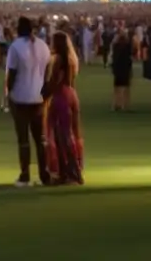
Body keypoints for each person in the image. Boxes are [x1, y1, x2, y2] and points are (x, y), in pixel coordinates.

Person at [6, 16, 52, 187]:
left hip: (20, 96)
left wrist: (8, 93)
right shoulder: (43, 45)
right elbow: (47, 72)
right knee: (40, 138)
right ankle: (44, 174)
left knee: (23, 139)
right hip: (38, 97)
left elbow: (11, 73)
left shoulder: (16, 47)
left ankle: (25, 175)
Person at [45, 31, 84, 185]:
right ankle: (70, 171)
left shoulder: (58, 60)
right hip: (71, 94)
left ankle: (70, 172)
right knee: (71, 134)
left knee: (62, 137)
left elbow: (54, 81)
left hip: (60, 97)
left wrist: (43, 95)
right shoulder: (71, 60)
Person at [110, 30, 133, 111]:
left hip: (117, 68)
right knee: (126, 88)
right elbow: (130, 56)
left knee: (117, 88)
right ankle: (125, 105)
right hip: (125, 68)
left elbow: (113, 57)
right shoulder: (128, 46)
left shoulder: (115, 45)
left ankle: (116, 104)